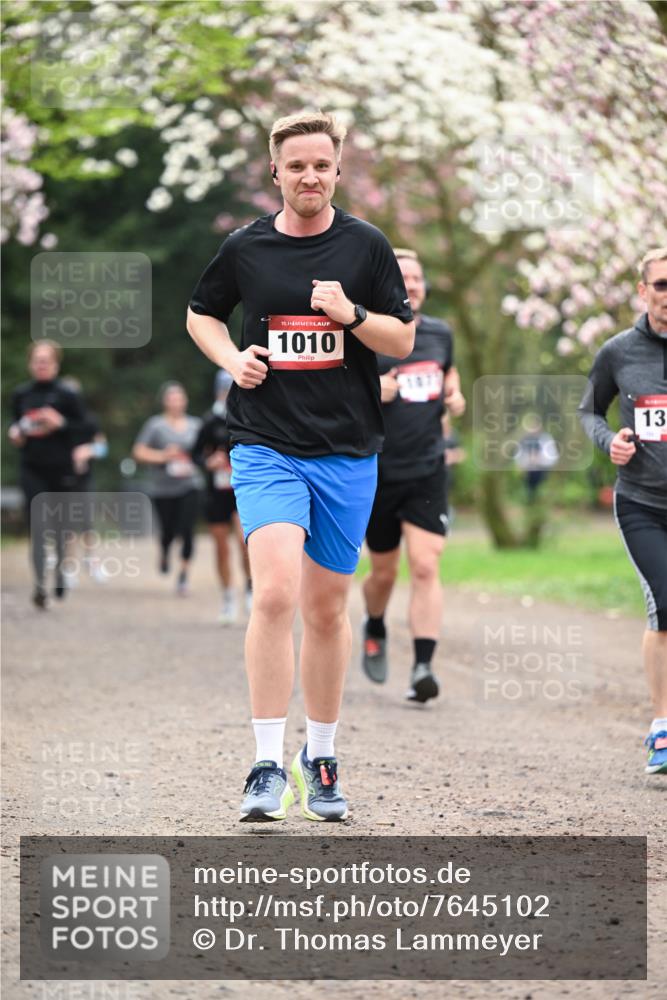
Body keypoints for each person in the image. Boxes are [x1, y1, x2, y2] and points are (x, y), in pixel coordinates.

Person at [186, 111, 414, 822]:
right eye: (296, 165)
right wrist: (232, 360)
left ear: (336, 170)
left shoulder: (366, 246)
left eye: (321, 164)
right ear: (276, 172)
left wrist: (350, 316)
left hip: (347, 451)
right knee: (276, 594)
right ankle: (262, 764)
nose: (309, 176)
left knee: (323, 609)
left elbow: (401, 339)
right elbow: (201, 314)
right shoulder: (246, 248)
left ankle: (319, 756)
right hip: (264, 444)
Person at [360, 248, 465, 702]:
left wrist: (456, 395)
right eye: (404, 278)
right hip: (377, 472)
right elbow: (332, 394)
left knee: (425, 565)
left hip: (427, 468)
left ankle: (423, 665)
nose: (414, 285)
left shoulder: (441, 333)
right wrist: (370, 390)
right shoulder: (366, 336)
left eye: (419, 278)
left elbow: (449, 373)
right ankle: (376, 623)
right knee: (383, 573)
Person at [578, 246, 667, 775]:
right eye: (661, 285)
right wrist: (610, 440)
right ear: (643, 290)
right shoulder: (619, 352)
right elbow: (589, 409)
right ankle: (662, 726)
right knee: (666, 602)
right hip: (643, 502)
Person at [8, 340, 87, 608]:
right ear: (31, 364)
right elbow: (15, 426)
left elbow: (85, 428)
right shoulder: (21, 395)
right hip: (32, 468)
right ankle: (40, 584)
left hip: (61, 470)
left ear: (55, 363)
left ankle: (61, 572)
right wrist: (15, 433)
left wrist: (61, 422)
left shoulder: (67, 395)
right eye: (37, 360)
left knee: (61, 528)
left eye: (46, 360)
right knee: (38, 528)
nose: (41, 364)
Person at [192, 368, 252, 624]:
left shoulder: (249, 416)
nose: (228, 392)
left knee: (244, 541)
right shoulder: (209, 421)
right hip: (217, 490)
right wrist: (209, 461)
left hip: (243, 488)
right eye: (225, 388)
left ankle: (250, 588)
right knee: (220, 545)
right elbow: (195, 453)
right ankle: (228, 596)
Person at [132, 382, 202, 596]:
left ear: (185, 400)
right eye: (171, 398)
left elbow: (205, 451)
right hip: (163, 488)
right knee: (169, 531)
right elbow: (139, 452)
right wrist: (163, 456)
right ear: (165, 401)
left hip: (191, 484)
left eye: (179, 397)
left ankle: (183, 575)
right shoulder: (155, 425)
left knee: (188, 529)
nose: (176, 402)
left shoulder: (196, 425)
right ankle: (164, 550)